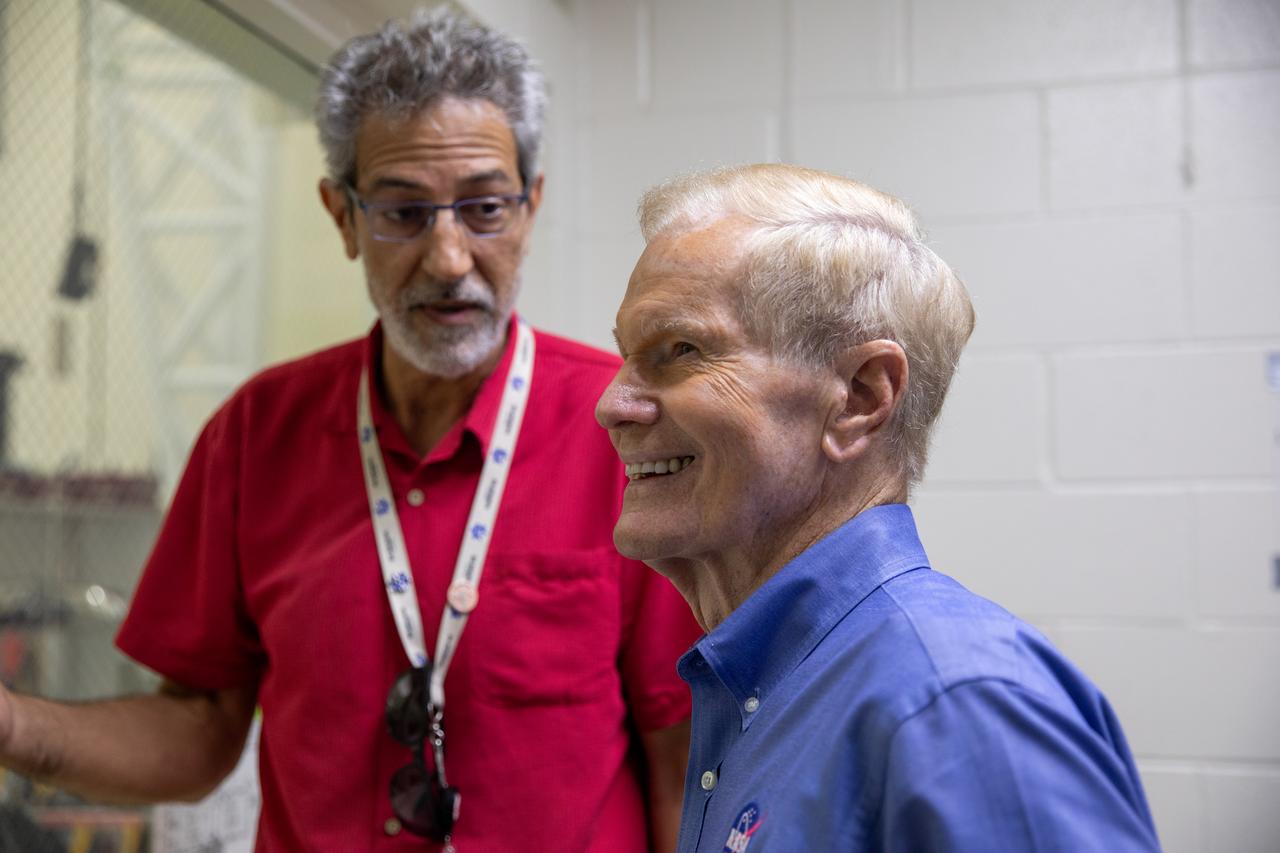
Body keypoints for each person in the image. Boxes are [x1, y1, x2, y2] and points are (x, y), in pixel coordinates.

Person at [0, 10, 701, 851]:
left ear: (530, 207)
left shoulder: (625, 433)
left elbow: (682, 751)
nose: (448, 257)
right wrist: (14, 724)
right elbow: (199, 725)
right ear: (341, 215)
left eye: (483, 208)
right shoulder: (256, 436)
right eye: (402, 213)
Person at [596, 163, 1163, 852]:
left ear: (861, 397)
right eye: (627, 356)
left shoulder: (958, 702)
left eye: (679, 350)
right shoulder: (767, 688)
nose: (612, 405)